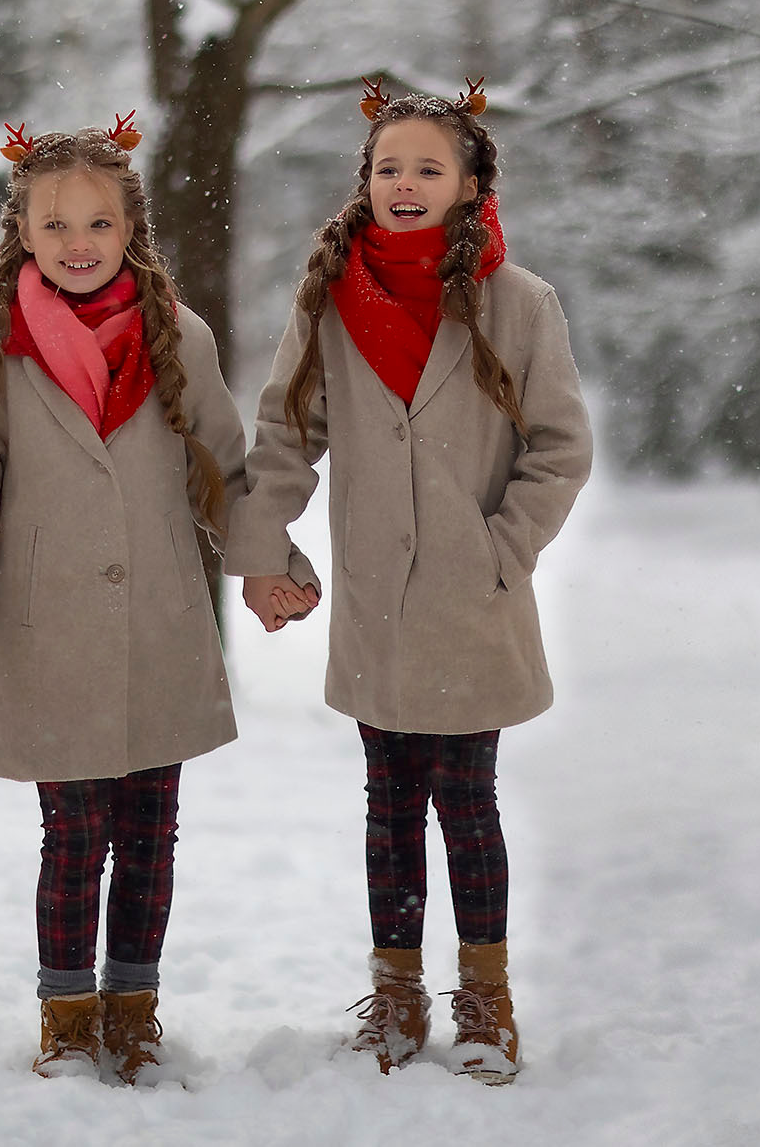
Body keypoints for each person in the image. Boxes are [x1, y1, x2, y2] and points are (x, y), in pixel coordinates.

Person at [226, 78, 592, 1083]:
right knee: (389, 802)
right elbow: (286, 432)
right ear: (366, 181)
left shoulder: (520, 304)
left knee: (466, 801)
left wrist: (502, 549)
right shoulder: (330, 300)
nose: (405, 182)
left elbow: (560, 448)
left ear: (471, 184)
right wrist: (262, 548)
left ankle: (485, 999)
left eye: (429, 167)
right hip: (377, 602)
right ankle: (395, 993)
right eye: (389, 166)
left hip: (475, 602)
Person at [0, 116, 293, 1085]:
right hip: (50, 634)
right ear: (22, 234)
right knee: (75, 836)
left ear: (131, 231)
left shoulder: (180, 339)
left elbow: (226, 473)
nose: (77, 242)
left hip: (161, 624)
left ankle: (133, 1008)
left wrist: (265, 565)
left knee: (152, 836)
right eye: (54, 224)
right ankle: (68, 1017)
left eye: (97, 223)